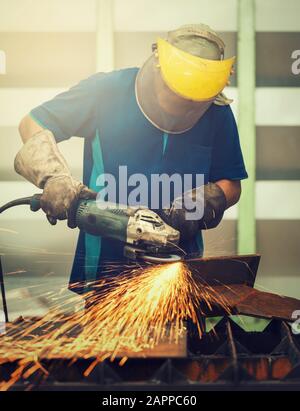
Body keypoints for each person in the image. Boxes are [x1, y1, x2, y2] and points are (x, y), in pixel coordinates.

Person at [15, 24, 247, 295]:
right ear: (159, 69)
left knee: (183, 335)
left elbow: (231, 182)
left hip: (179, 262)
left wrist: (205, 200)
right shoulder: (107, 91)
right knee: (106, 336)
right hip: (106, 262)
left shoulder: (216, 110)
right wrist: (53, 176)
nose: (186, 107)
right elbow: (32, 123)